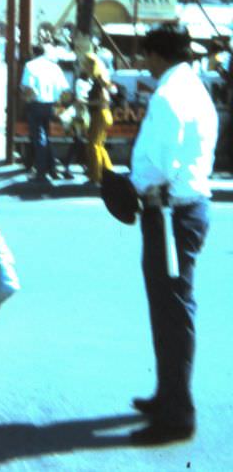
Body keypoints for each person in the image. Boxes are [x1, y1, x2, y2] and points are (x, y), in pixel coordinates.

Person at [128, 23, 217, 445]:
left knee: (171, 310)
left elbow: (162, 161)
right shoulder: (193, 88)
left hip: (168, 211)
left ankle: (177, 414)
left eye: (146, 54)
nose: (144, 62)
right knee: (170, 307)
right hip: (185, 208)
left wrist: (136, 186)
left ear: (158, 54)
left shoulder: (167, 96)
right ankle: (167, 393)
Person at [20, 44, 70, 183]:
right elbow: (65, 89)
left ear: (33, 53)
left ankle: (41, 171)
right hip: (51, 105)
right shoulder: (54, 67)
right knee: (46, 137)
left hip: (36, 104)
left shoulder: (30, 66)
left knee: (39, 138)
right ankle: (52, 169)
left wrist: (26, 99)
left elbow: (28, 87)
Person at [81, 51, 114, 184]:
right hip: (102, 114)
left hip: (100, 114)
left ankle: (96, 176)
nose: (84, 66)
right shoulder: (99, 77)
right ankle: (107, 172)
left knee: (93, 145)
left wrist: (86, 102)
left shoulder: (99, 78)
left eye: (86, 63)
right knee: (98, 145)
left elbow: (104, 99)